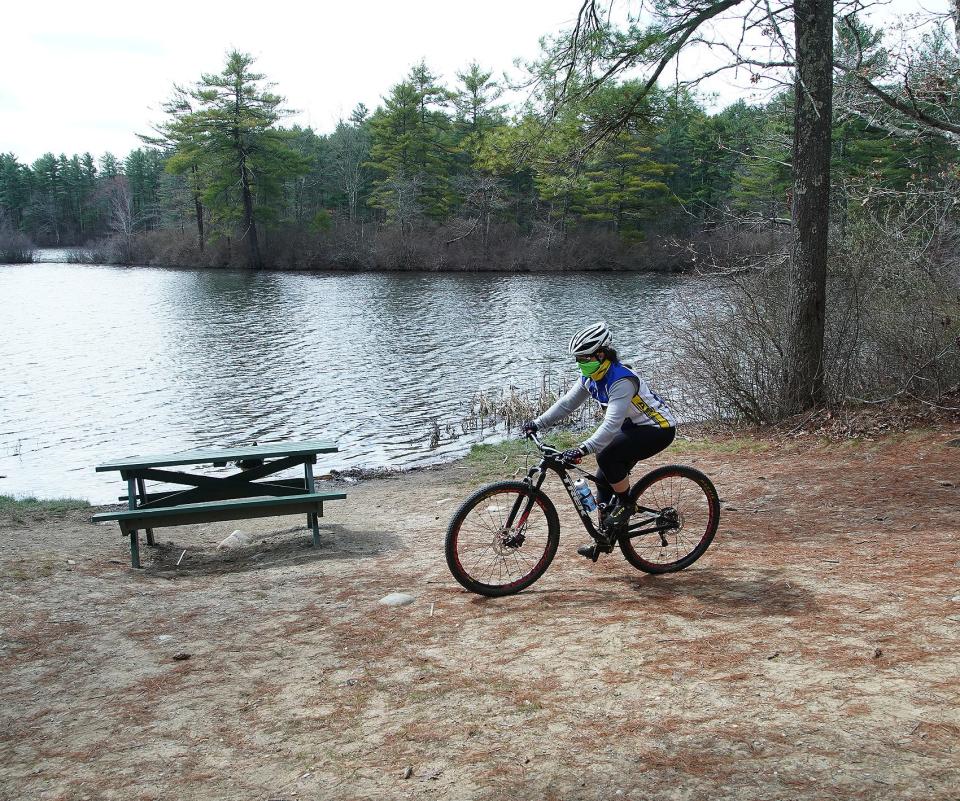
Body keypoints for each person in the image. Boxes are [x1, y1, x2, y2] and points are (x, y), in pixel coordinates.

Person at [522, 321, 677, 560]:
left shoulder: (621, 381)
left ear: (601, 354)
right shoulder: (591, 376)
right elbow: (566, 404)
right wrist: (537, 423)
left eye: (584, 358)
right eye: (578, 360)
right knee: (603, 478)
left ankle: (626, 504)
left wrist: (583, 448)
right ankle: (605, 537)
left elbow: (611, 425)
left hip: (657, 429)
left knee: (606, 455)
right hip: (632, 427)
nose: (580, 364)